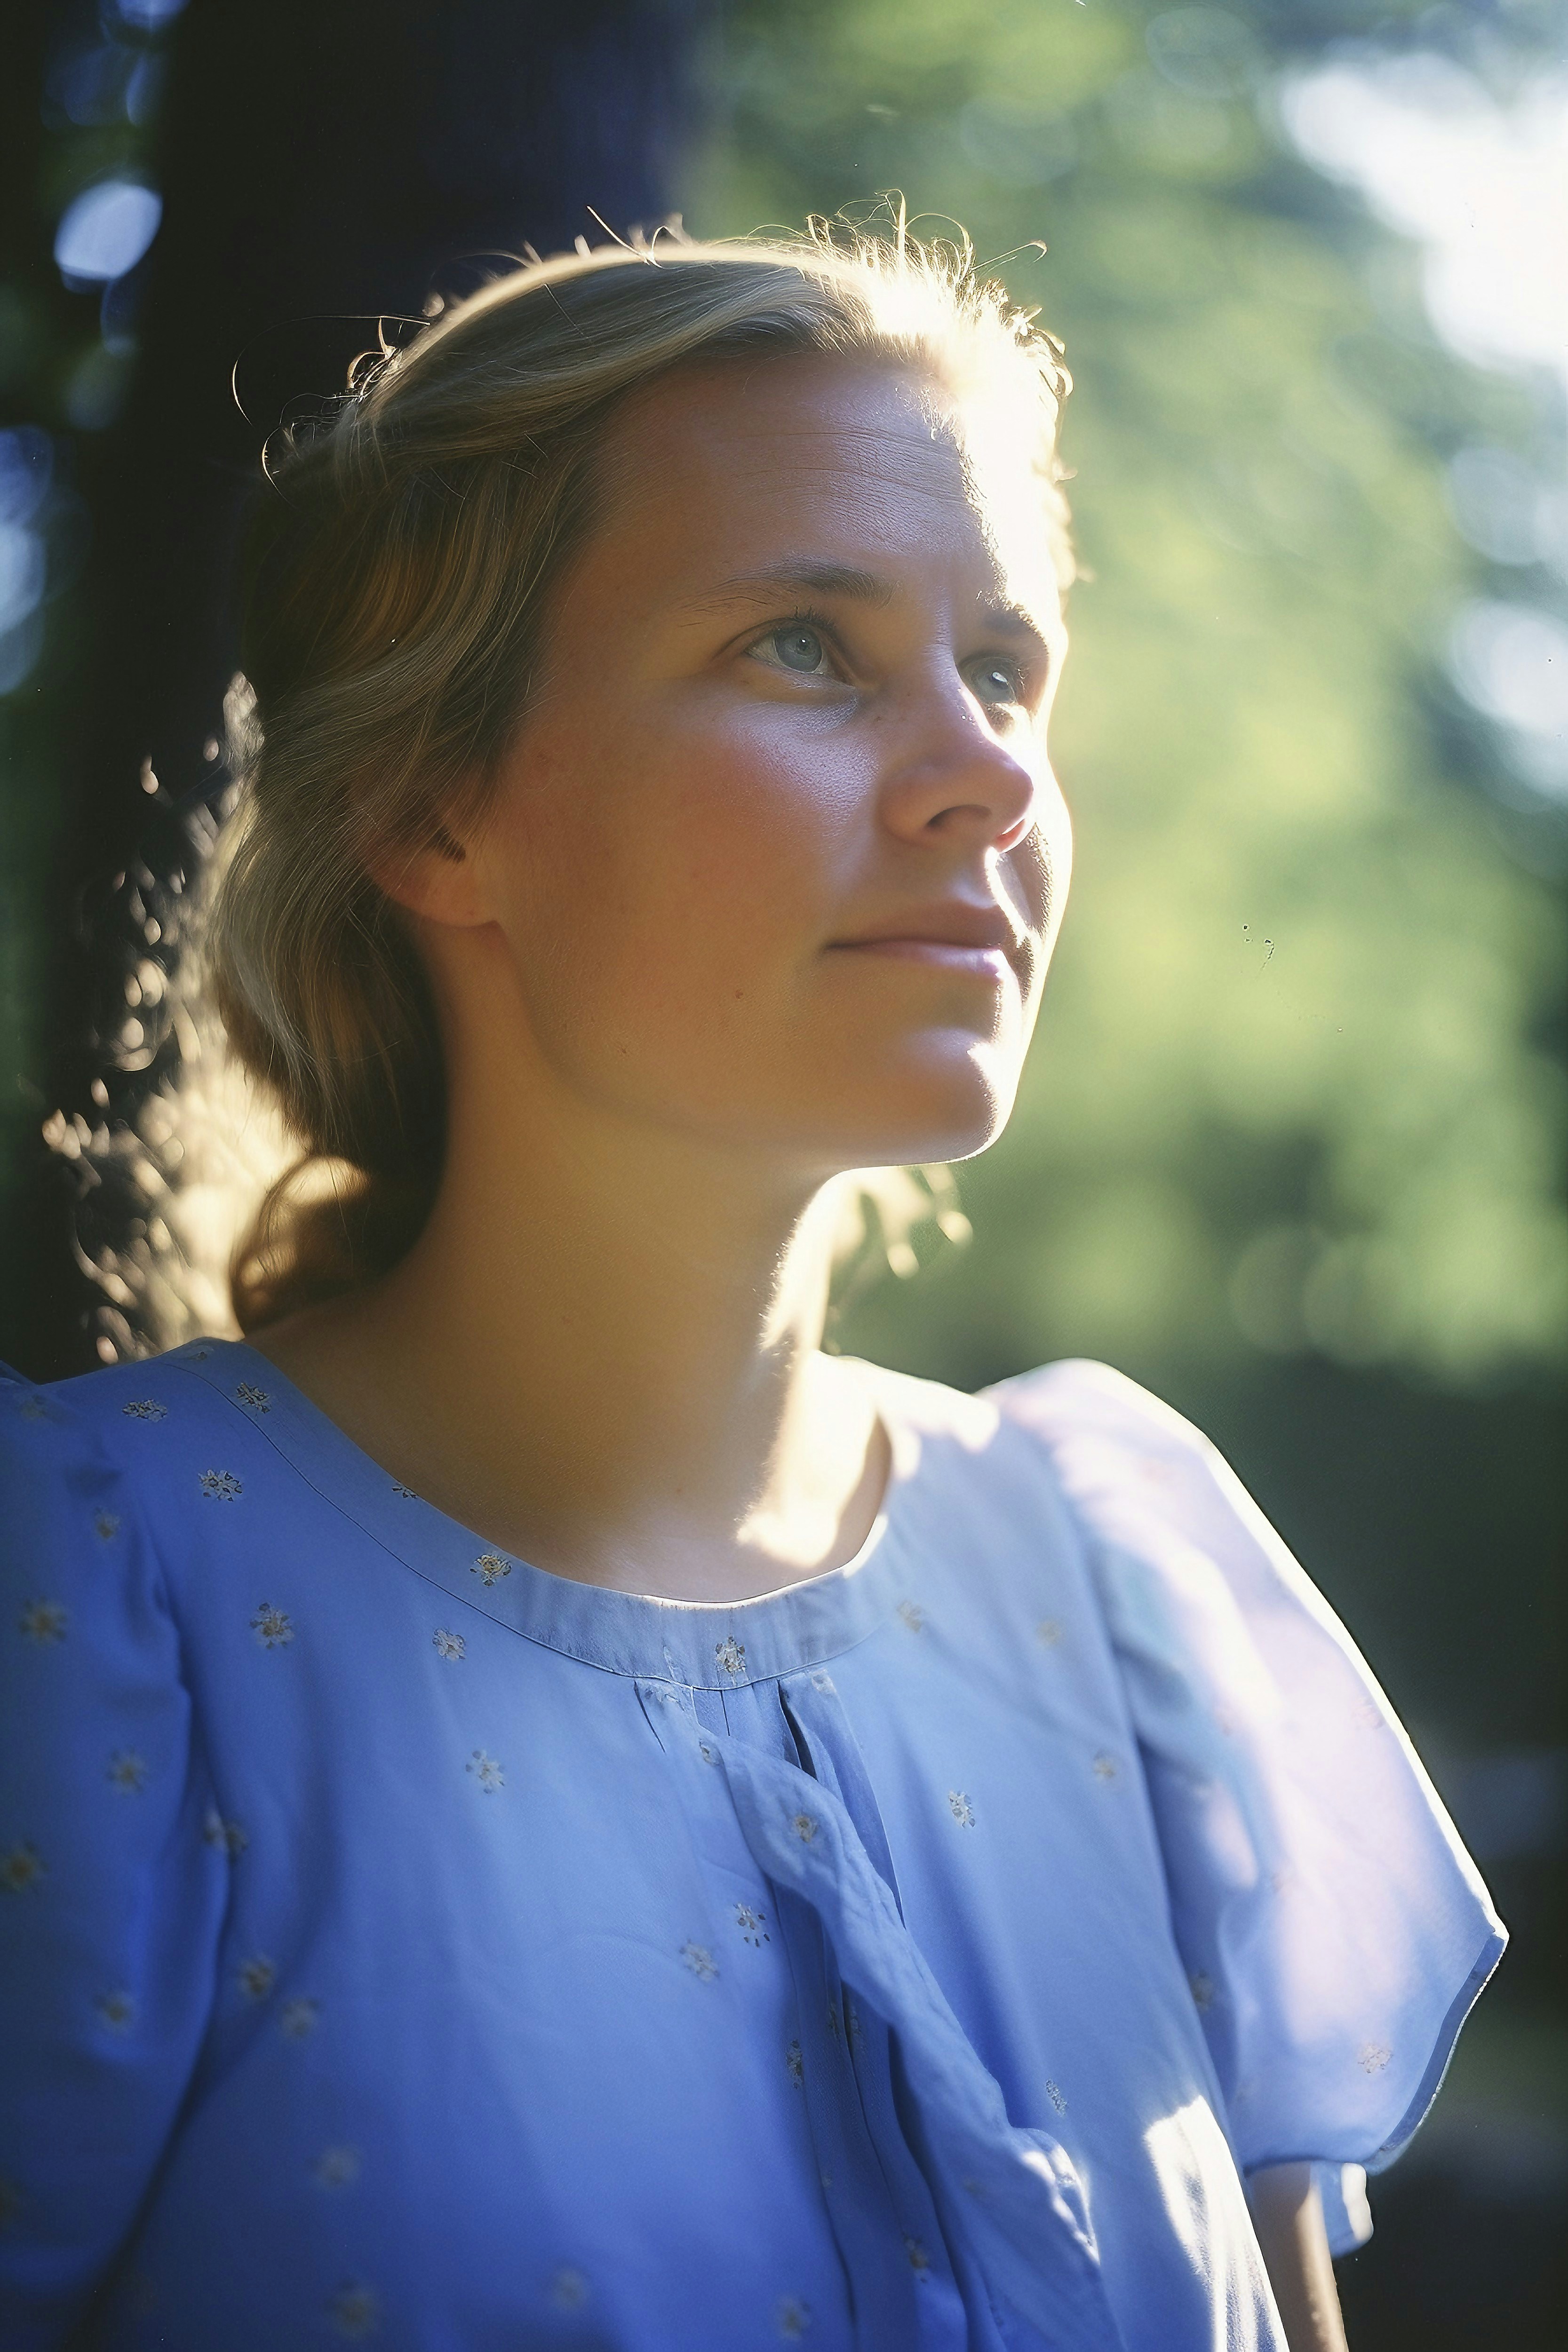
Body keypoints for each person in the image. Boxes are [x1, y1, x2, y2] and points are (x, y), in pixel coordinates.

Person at [0, 226, 1504, 2352]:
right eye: (807, 644)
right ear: (434, 804)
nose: (985, 767)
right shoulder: (81, 1592)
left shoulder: (1119, 1575)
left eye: (1008, 663)